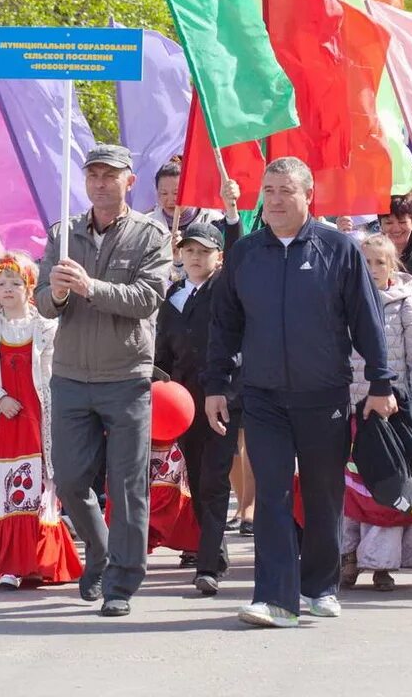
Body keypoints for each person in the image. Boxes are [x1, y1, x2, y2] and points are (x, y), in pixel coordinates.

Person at [206, 156, 396, 629]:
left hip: (324, 394)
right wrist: (215, 385)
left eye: (285, 190)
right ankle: (274, 597)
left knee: (321, 494)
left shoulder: (338, 249)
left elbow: (367, 320)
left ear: (308, 195)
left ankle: (319, 586)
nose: (274, 200)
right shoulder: (246, 253)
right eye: (268, 190)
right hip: (264, 396)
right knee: (270, 491)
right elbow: (224, 324)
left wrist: (380, 382)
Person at [35, 143, 172, 618]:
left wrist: (91, 287)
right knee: (70, 480)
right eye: (93, 174)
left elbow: (147, 298)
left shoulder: (151, 235)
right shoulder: (63, 233)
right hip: (70, 375)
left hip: (126, 376)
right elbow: (42, 303)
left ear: (129, 181)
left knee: (128, 483)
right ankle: (100, 548)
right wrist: (53, 293)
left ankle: (122, 583)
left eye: (110, 175)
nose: (99, 182)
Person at [0, 252, 82, 589]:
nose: (8, 289)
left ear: (29, 288)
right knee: (7, 492)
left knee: (40, 489)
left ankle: (40, 560)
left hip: (39, 422)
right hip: (5, 423)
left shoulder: (46, 327)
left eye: (16, 282)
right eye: (2, 284)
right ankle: (10, 565)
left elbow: (62, 372)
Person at [341, 234, 412, 592]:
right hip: (350, 412)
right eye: (365, 262)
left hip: (390, 414)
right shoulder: (341, 301)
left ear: (392, 266)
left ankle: (382, 564)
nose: (372, 269)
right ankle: (347, 557)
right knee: (349, 490)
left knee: (386, 489)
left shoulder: (406, 305)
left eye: (380, 262)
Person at [155, 221, 241, 596]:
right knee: (196, 476)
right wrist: (157, 384)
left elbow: (238, 257)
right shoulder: (172, 296)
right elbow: (161, 350)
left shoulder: (226, 288)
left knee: (214, 478)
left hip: (222, 396)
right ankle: (214, 550)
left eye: (203, 251)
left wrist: (233, 216)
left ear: (218, 256)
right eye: (189, 250)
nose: (195, 257)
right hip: (182, 402)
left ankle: (207, 565)